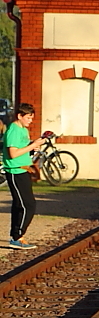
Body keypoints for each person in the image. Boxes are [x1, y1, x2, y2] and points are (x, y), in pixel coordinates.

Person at [3, 103, 46, 250]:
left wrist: (33, 148)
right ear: (19, 116)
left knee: (19, 205)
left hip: (24, 170)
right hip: (15, 171)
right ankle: (18, 236)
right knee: (27, 205)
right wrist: (32, 145)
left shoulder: (24, 130)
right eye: (28, 118)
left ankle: (17, 236)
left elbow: (23, 149)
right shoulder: (13, 130)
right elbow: (13, 153)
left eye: (32, 118)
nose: (30, 121)